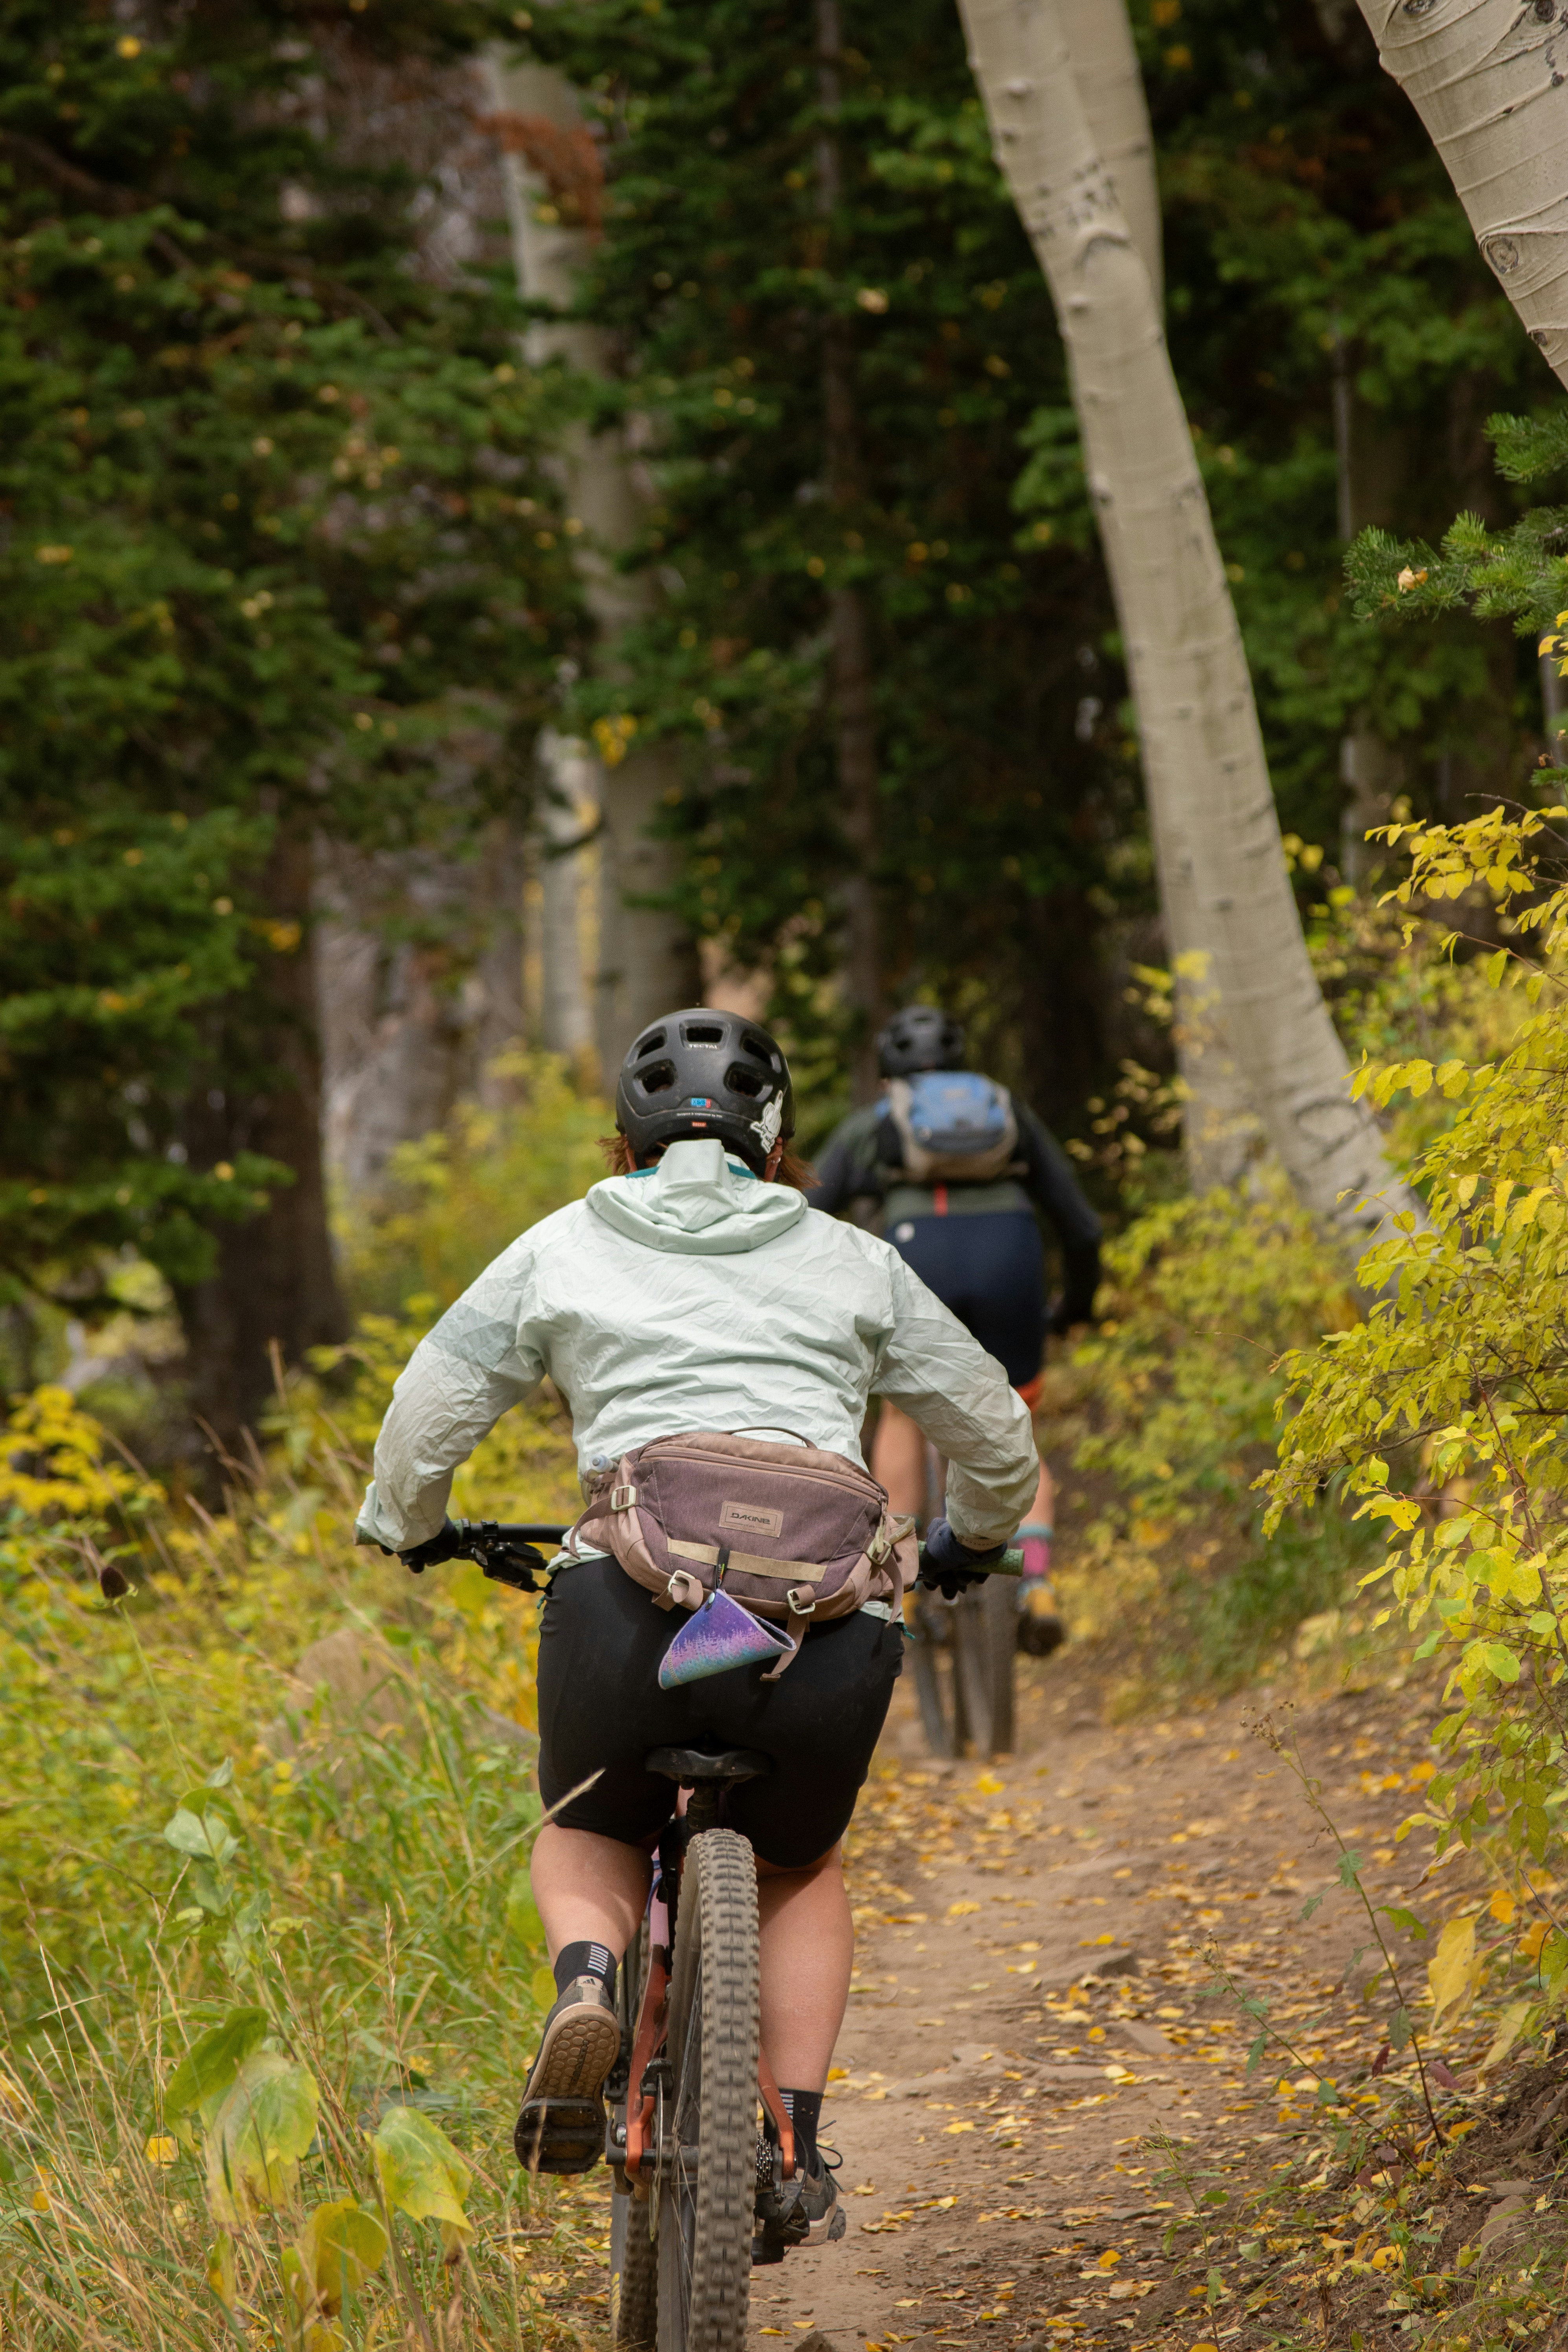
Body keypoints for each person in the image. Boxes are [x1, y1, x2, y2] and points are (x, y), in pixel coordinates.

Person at [355, 1007, 1040, 2254]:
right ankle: (792, 2139)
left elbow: (427, 1408)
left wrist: (414, 1526)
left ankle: (585, 1989)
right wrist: (974, 1543)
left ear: (622, 1143)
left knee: (589, 1826)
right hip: (819, 1635)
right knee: (799, 1864)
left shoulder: (560, 1245)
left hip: (629, 1608)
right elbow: (991, 1428)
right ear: (776, 1145)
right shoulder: (853, 1258)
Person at [809, 1005, 1101, 1641]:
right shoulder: (1005, 1114)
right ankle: (1040, 1583)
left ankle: (901, 1585)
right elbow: (1081, 1227)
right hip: (1012, 1257)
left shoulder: (875, 1123)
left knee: (904, 1414)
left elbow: (808, 1215)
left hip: (920, 1259)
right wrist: (1076, 1305)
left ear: (889, 1077)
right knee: (1015, 1418)